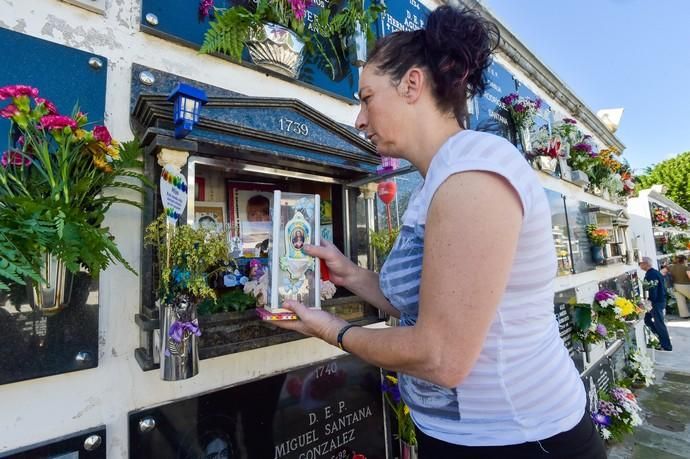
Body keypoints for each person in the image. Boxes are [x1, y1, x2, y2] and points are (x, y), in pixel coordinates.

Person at [271, 5, 605, 458]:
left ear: (412, 84)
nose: (360, 120)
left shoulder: (476, 171)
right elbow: (424, 300)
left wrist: (334, 331)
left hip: (520, 439)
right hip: (455, 437)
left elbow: (441, 357)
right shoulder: (438, 180)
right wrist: (348, 273)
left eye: (366, 98)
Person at [639, 256, 672, 350]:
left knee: (659, 324)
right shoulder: (654, 272)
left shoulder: (651, 274)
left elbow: (653, 289)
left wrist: (649, 302)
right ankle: (660, 339)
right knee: (647, 320)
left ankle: (666, 345)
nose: (639, 265)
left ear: (645, 263)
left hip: (656, 302)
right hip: (658, 301)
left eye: (640, 263)